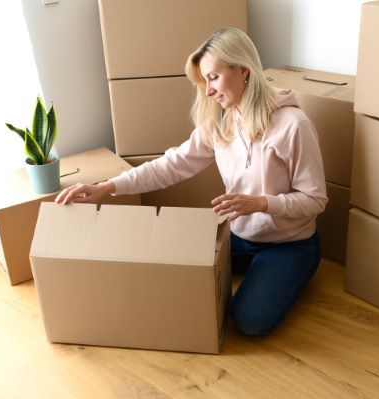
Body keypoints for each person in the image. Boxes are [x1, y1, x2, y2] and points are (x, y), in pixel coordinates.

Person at [55, 27, 328, 336]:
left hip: (288, 244)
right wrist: (107, 187)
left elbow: (315, 200)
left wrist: (261, 203)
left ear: (243, 70)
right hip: (237, 234)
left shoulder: (294, 126)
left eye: (213, 77)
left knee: (249, 322)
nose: (208, 91)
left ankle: (294, 271)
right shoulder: (221, 122)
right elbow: (171, 165)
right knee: (166, 271)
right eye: (204, 81)